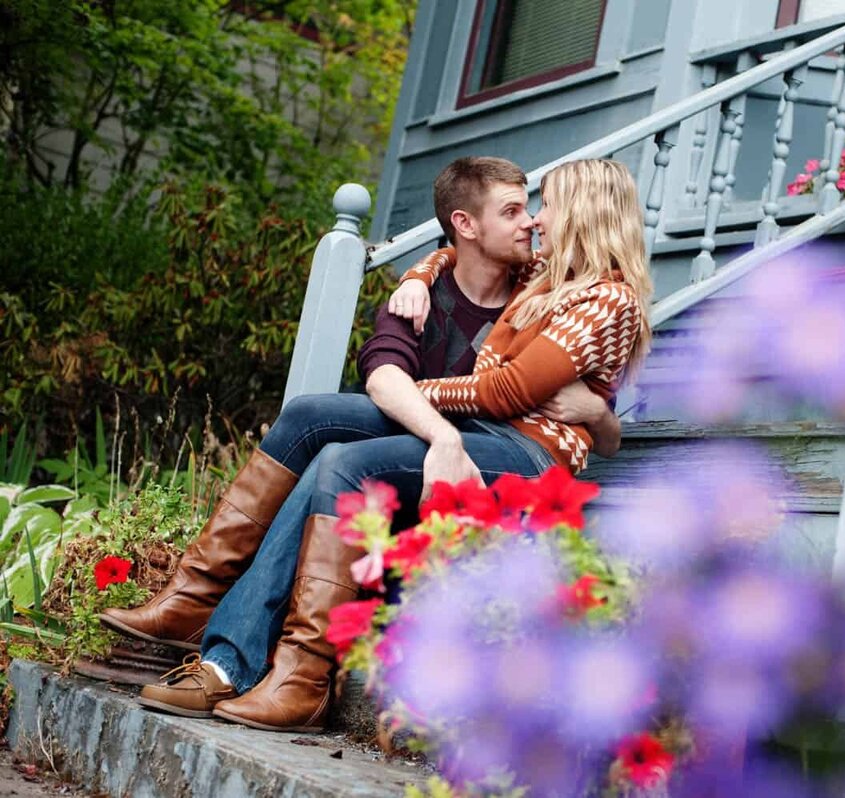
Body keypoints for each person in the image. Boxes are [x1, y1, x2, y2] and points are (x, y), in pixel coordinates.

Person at [99, 156, 622, 726]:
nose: (533, 222)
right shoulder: (424, 290)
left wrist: (594, 411)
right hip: (437, 448)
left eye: (536, 209)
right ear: (465, 225)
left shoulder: (546, 283)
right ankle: (196, 600)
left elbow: (542, 394)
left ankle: (277, 669)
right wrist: (425, 274)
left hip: (482, 457)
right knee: (308, 417)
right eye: (515, 211)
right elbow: (380, 372)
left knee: (340, 463)